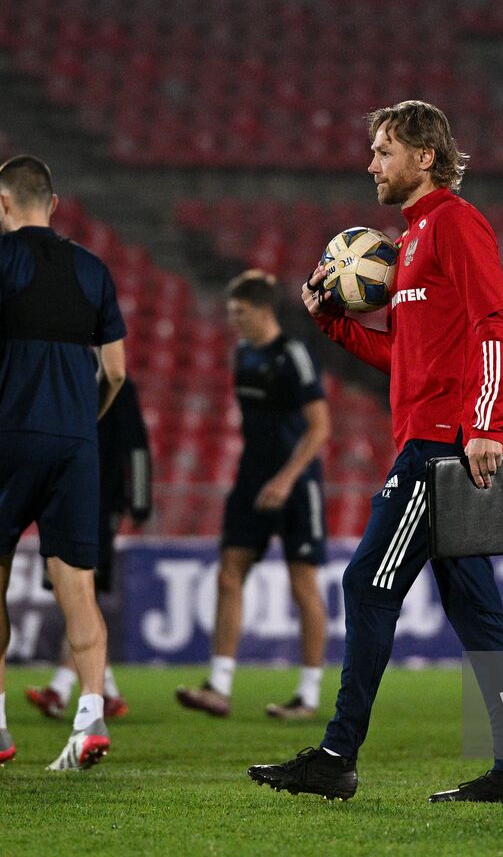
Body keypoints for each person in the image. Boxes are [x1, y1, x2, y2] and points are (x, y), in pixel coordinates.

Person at [248, 100, 503, 804]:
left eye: (383, 150)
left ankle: (337, 755)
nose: (371, 163)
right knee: (477, 612)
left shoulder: (454, 223)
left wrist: (486, 423)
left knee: (366, 582)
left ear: (424, 157)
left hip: (440, 451)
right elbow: (407, 355)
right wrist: (332, 325)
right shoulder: (408, 241)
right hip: (434, 439)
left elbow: (495, 321)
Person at [0, 155, 127, 770]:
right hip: (75, 442)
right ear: (54, 205)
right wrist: (82, 423)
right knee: (75, 584)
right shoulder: (93, 268)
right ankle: (90, 719)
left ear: (1, 205)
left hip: (8, 435)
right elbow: (117, 373)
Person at [177, 270, 330, 720]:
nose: (233, 320)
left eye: (239, 312)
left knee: (303, 585)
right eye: (230, 313)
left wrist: (286, 478)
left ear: (263, 311)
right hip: (251, 478)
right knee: (229, 573)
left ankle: (307, 695)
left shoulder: (293, 355)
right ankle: (218, 687)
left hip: (297, 483)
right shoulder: (242, 353)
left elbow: (321, 427)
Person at [27, 374, 151, 722]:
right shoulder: (60, 380)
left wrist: (140, 500)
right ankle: (107, 690)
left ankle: (61, 687)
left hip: (100, 503)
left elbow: (137, 444)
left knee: (81, 594)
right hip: (60, 500)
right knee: (71, 594)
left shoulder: (118, 385)